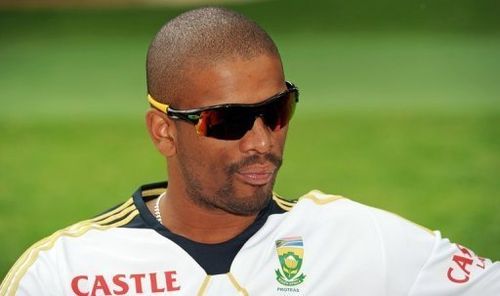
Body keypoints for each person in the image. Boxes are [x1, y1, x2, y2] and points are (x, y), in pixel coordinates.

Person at [1, 7, 499, 296]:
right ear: (163, 132)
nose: (262, 142)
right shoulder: (63, 273)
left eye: (278, 110)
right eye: (229, 120)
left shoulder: (359, 239)